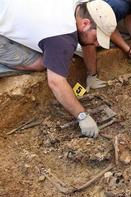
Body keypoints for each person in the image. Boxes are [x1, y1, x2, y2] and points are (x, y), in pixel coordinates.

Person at [0, 0, 117, 138]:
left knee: (55, 52)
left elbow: (87, 42)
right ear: (85, 23)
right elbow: (56, 82)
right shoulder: (62, 37)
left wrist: (92, 75)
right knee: (42, 63)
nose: (97, 43)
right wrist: (82, 115)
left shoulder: (78, 7)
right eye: (97, 37)